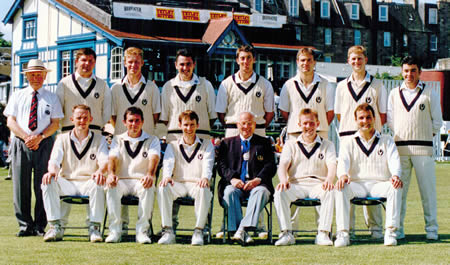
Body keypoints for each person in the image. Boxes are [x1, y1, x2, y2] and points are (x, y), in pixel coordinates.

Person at [4, 59, 64, 236]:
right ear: (27, 76)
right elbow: (10, 121)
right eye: (33, 74)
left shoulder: (52, 97)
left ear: (45, 76)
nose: (36, 77)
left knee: (43, 184)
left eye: (39, 74)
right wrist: (26, 137)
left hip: (45, 143)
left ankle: (40, 225)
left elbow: (55, 123)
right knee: (20, 186)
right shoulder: (17, 95)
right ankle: (25, 225)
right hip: (20, 143)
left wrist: (39, 137)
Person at [387, 56, 443, 240]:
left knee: (428, 193)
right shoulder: (394, 94)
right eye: (406, 70)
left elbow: (437, 123)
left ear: (419, 72)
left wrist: (423, 137)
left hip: (423, 150)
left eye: (413, 70)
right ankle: (398, 230)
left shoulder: (430, 94)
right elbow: (391, 122)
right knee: (399, 192)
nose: (409, 74)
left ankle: (432, 230)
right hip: (400, 150)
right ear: (402, 72)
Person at [334, 45, 388, 237]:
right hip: (348, 138)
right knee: (347, 182)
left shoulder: (377, 85)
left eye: (360, 58)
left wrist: (367, 130)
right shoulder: (341, 86)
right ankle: (348, 229)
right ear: (348, 61)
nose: (357, 62)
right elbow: (340, 115)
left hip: (371, 139)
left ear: (366, 60)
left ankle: (375, 228)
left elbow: (382, 114)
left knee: (372, 179)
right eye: (353, 59)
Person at [335, 103, 403, 247]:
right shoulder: (348, 142)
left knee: (395, 187)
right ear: (356, 120)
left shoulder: (386, 140)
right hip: (357, 184)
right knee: (340, 187)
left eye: (368, 117)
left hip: (379, 184)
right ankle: (343, 233)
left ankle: (390, 232)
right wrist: (342, 175)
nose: (365, 121)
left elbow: (394, 160)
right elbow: (343, 161)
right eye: (361, 118)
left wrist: (395, 175)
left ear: (374, 118)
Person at [41, 104, 108, 242]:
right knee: (47, 181)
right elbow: (54, 160)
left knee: (99, 182)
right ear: (72, 119)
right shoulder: (61, 139)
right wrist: (52, 172)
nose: (82, 121)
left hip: (88, 182)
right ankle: (55, 227)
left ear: (91, 119)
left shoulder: (99, 139)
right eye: (79, 118)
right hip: (67, 182)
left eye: (85, 118)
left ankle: (94, 228)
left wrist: (100, 171)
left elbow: (104, 161)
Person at [274, 108, 336, 246]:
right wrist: (284, 180)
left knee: (330, 191)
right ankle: (286, 233)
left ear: (318, 123)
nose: (308, 127)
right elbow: (283, 165)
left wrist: (329, 180)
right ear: (299, 124)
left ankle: (323, 233)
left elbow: (332, 166)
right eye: (305, 123)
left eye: (312, 123)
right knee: (279, 191)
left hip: (318, 184)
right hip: (296, 184)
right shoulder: (290, 144)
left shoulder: (328, 145)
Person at [217, 111, 276, 245]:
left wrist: (258, 180)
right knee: (229, 192)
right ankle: (243, 233)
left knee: (260, 192)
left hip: (258, 185)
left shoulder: (264, 143)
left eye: (250, 123)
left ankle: (241, 230)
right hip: (236, 184)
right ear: (238, 125)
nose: (246, 127)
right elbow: (221, 166)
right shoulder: (227, 143)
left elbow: (270, 166)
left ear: (255, 125)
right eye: (243, 123)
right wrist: (232, 179)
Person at [157, 110, 214, 246]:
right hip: (179, 184)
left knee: (204, 189)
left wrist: (205, 177)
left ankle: (199, 231)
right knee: (163, 187)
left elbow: (208, 164)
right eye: (186, 125)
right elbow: (168, 163)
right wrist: (166, 177)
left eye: (192, 125)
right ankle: (168, 231)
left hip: (196, 184)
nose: (189, 128)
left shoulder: (207, 145)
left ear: (197, 125)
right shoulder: (173, 145)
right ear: (180, 125)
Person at [105, 107, 160, 244]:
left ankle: (142, 231)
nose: (133, 124)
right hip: (122, 180)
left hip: (140, 181)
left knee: (148, 185)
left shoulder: (152, 140)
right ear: (124, 122)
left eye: (137, 121)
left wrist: (149, 175)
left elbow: (154, 158)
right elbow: (112, 158)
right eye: (130, 121)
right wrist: (111, 174)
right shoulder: (117, 139)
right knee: (111, 185)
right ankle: (115, 230)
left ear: (142, 122)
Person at [216, 45, 275, 137]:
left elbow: (270, 113)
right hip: (233, 132)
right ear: (237, 60)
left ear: (254, 59)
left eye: (249, 58)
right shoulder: (226, 84)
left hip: (257, 132)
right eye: (242, 58)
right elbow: (220, 113)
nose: (245, 62)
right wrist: (234, 125)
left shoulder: (265, 84)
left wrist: (257, 126)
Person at [161, 49, 216, 141]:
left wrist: (198, 128)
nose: (185, 68)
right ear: (176, 65)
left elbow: (212, 116)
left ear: (194, 64)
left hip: (201, 137)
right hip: (175, 139)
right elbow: (164, 118)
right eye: (182, 64)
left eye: (188, 64)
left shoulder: (206, 85)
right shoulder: (168, 87)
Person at [279, 48, 334, 140]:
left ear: (314, 62)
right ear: (297, 62)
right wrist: (296, 124)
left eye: (309, 60)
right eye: (303, 60)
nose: (306, 63)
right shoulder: (288, 85)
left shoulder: (325, 84)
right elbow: (284, 112)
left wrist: (316, 127)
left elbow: (330, 113)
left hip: (319, 134)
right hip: (295, 134)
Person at [56, 48, 111, 133]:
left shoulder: (102, 85)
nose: (87, 63)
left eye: (90, 61)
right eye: (84, 60)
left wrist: (96, 126)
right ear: (76, 61)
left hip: (94, 134)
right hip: (69, 134)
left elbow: (106, 113)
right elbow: (58, 112)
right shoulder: (64, 84)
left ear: (95, 63)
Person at [111, 47, 160, 136]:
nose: (133, 65)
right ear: (125, 63)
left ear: (142, 63)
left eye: (137, 62)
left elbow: (155, 116)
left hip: (146, 141)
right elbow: (113, 117)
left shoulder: (152, 88)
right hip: (122, 141)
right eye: (130, 62)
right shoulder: (115, 88)